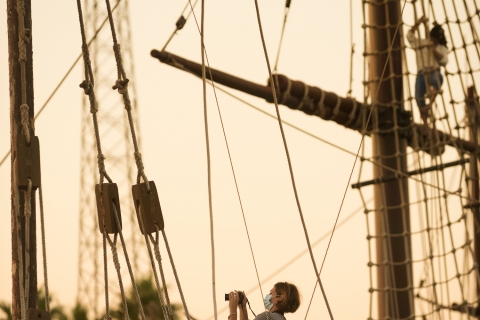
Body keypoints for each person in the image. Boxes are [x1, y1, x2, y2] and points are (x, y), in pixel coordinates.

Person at [407, 16, 448, 128]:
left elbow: (444, 61)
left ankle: (430, 104)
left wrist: (433, 49)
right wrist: (418, 23)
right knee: (418, 96)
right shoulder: (422, 42)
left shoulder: (441, 48)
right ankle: (425, 120)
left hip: (434, 70)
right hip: (421, 72)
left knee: (437, 79)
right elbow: (409, 36)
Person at [227, 282, 301, 320]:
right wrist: (242, 307)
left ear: (280, 298)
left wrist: (233, 310)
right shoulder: (279, 318)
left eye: (271, 293)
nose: (268, 295)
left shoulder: (268, 317)